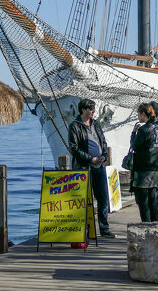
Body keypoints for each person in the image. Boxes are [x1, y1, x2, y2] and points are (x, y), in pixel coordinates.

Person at [68, 98, 115, 238]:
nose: (93, 111)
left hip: (99, 166)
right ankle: (84, 229)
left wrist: (104, 156)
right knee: (83, 199)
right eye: (90, 109)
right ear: (83, 110)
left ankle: (104, 229)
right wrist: (90, 158)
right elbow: (74, 148)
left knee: (103, 198)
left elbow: (103, 141)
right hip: (84, 167)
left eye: (94, 109)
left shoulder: (96, 124)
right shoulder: (75, 126)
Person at [130, 103, 158, 222]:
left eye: (139, 114)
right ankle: (155, 226)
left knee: (143, 203)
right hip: (154, 169)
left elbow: (135, 146)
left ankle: (146, 227)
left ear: (143, 114)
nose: (138, 116)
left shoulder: (144, 130)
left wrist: (134, 133)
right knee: (153, 201)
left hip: (143, 170)